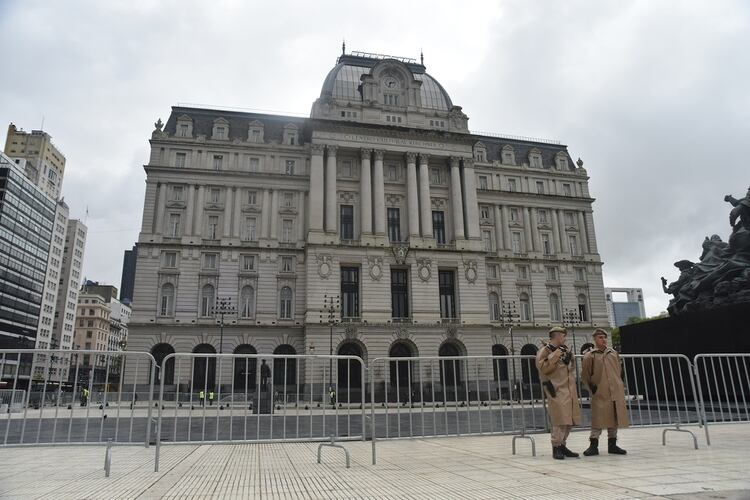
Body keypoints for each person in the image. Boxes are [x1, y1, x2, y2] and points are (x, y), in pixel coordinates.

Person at [536, 326, 581, 460]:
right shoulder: (544, 351)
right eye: (563, 336)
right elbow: (543, 368)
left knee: (569, 419)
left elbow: (571, 368)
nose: (565, 339)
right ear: (556, 336)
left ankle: (562, 445)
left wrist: (570, 359)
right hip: (555, 388)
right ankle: (556, 447)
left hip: (569, 388)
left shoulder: (564, 350)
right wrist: (556, 354)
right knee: (559, 418)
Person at [581, 329, 628, 456]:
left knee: (614, 418)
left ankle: (612, 444)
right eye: (600, 337)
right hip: (600, 391)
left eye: (605, 337)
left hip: (615, 391)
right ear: (595, 339)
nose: (604, 340)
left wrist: (619, 384)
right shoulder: (590, 356)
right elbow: (585, 375)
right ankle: (593, 445)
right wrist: (592, 388)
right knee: (598, 419)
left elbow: (619, 370)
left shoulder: (613, 353)